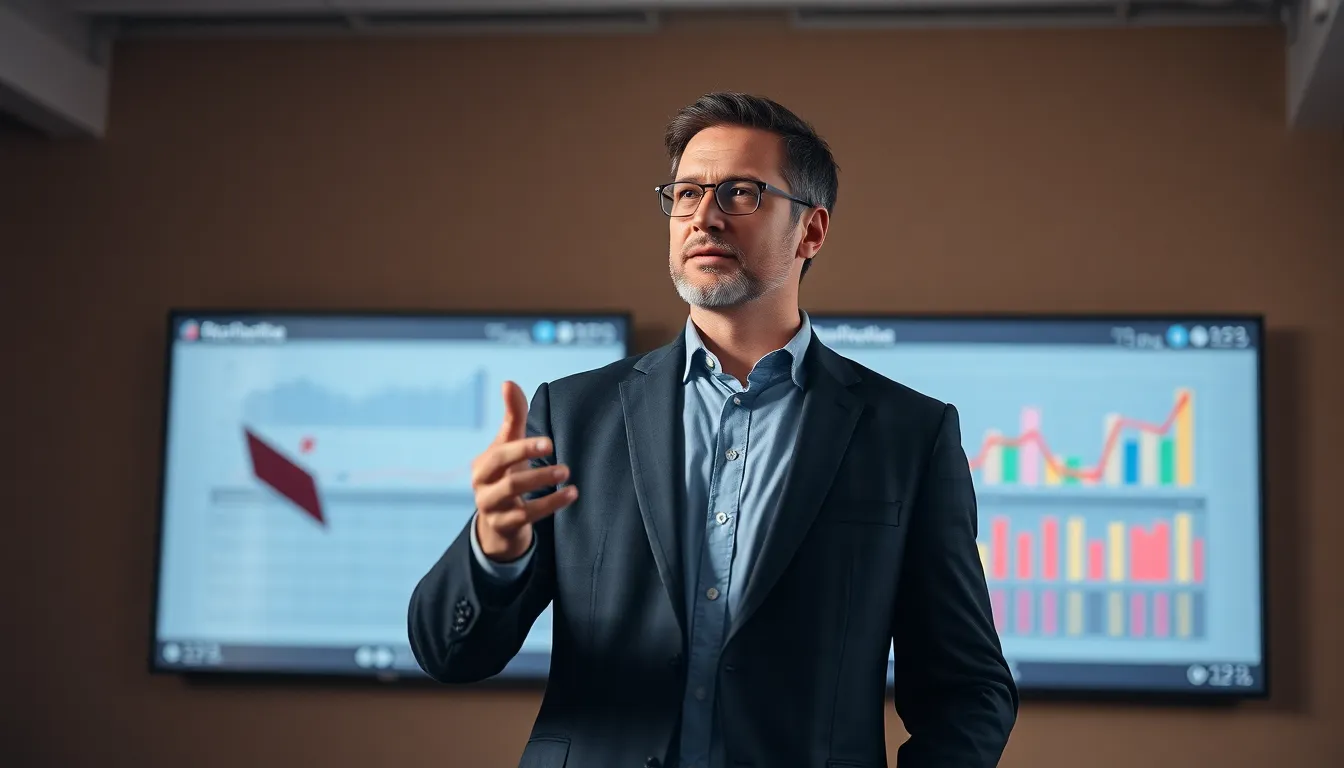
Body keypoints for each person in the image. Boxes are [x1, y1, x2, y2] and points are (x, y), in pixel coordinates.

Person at [408, 91, 1018, 768]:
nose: (703, 215)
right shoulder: (573, 417)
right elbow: (449, 653)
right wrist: (494, 552)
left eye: (740, 193)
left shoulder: (908, 435)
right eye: (686, 192)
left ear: (811, 232)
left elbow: (969, 691)